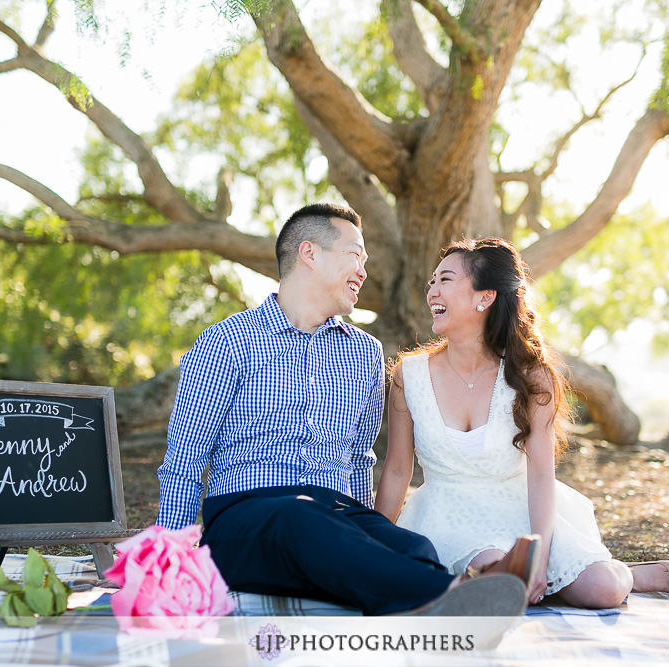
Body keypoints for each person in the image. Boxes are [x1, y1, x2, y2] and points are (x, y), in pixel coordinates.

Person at [156, 204, 528, 616]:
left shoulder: (364, 353)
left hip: (334, 516)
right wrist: (169, 556)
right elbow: (185, 460)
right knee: (300, 520)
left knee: (411, 546)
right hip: (247, 519)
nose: (363, 271)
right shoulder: (226, 342)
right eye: (355, 256)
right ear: (309, 254)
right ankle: (451, 596)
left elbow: (357, 460)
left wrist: (367, 530)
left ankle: (417, 597)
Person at [374, 237, 669, 609]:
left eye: (445, 280)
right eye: (432, 281)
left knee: (603, 591)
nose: (431, 290)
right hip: (446, 514)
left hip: (520, 506)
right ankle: (515, 579)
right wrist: (376, 544)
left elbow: (542, 473)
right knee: (493, 570)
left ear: (485, 297)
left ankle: (630, 573)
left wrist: (540, 556)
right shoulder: (408, 375)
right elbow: (398, 470)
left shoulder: (531, 378)